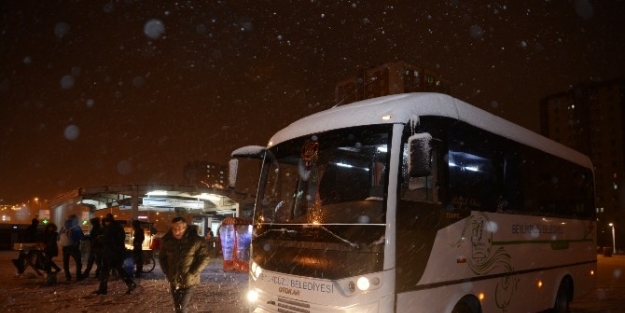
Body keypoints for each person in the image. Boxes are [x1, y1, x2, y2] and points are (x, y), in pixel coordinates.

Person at [159, 217, 211, 313]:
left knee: (181, 308)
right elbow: (162, 258)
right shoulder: (168, 241)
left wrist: (192, 272)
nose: (176, 231)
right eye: (173, 228)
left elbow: (205, 258)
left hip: (188, 280)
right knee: (178, 308)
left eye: (178, 228)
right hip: (174, 280)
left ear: (185, 227)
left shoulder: (195, 241)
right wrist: (167, 272)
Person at [94, 214, 136, 295]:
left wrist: (100, 239)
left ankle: (103, 289)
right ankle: (130, 283)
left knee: (105, 271)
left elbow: (108, 240)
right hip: (117, 253)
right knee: (119, 270)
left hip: (111, 253)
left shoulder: (111, 228)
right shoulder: (118, 227)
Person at [59, 214, 86, 281]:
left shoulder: (63, 227)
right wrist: (88, 237)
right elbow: (82, 237)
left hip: (65, 247)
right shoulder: (76, 227)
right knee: (78, 262)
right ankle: (78, 276)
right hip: (74, 247)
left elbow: (58, 237)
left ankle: (68, 276)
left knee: (66, 262)